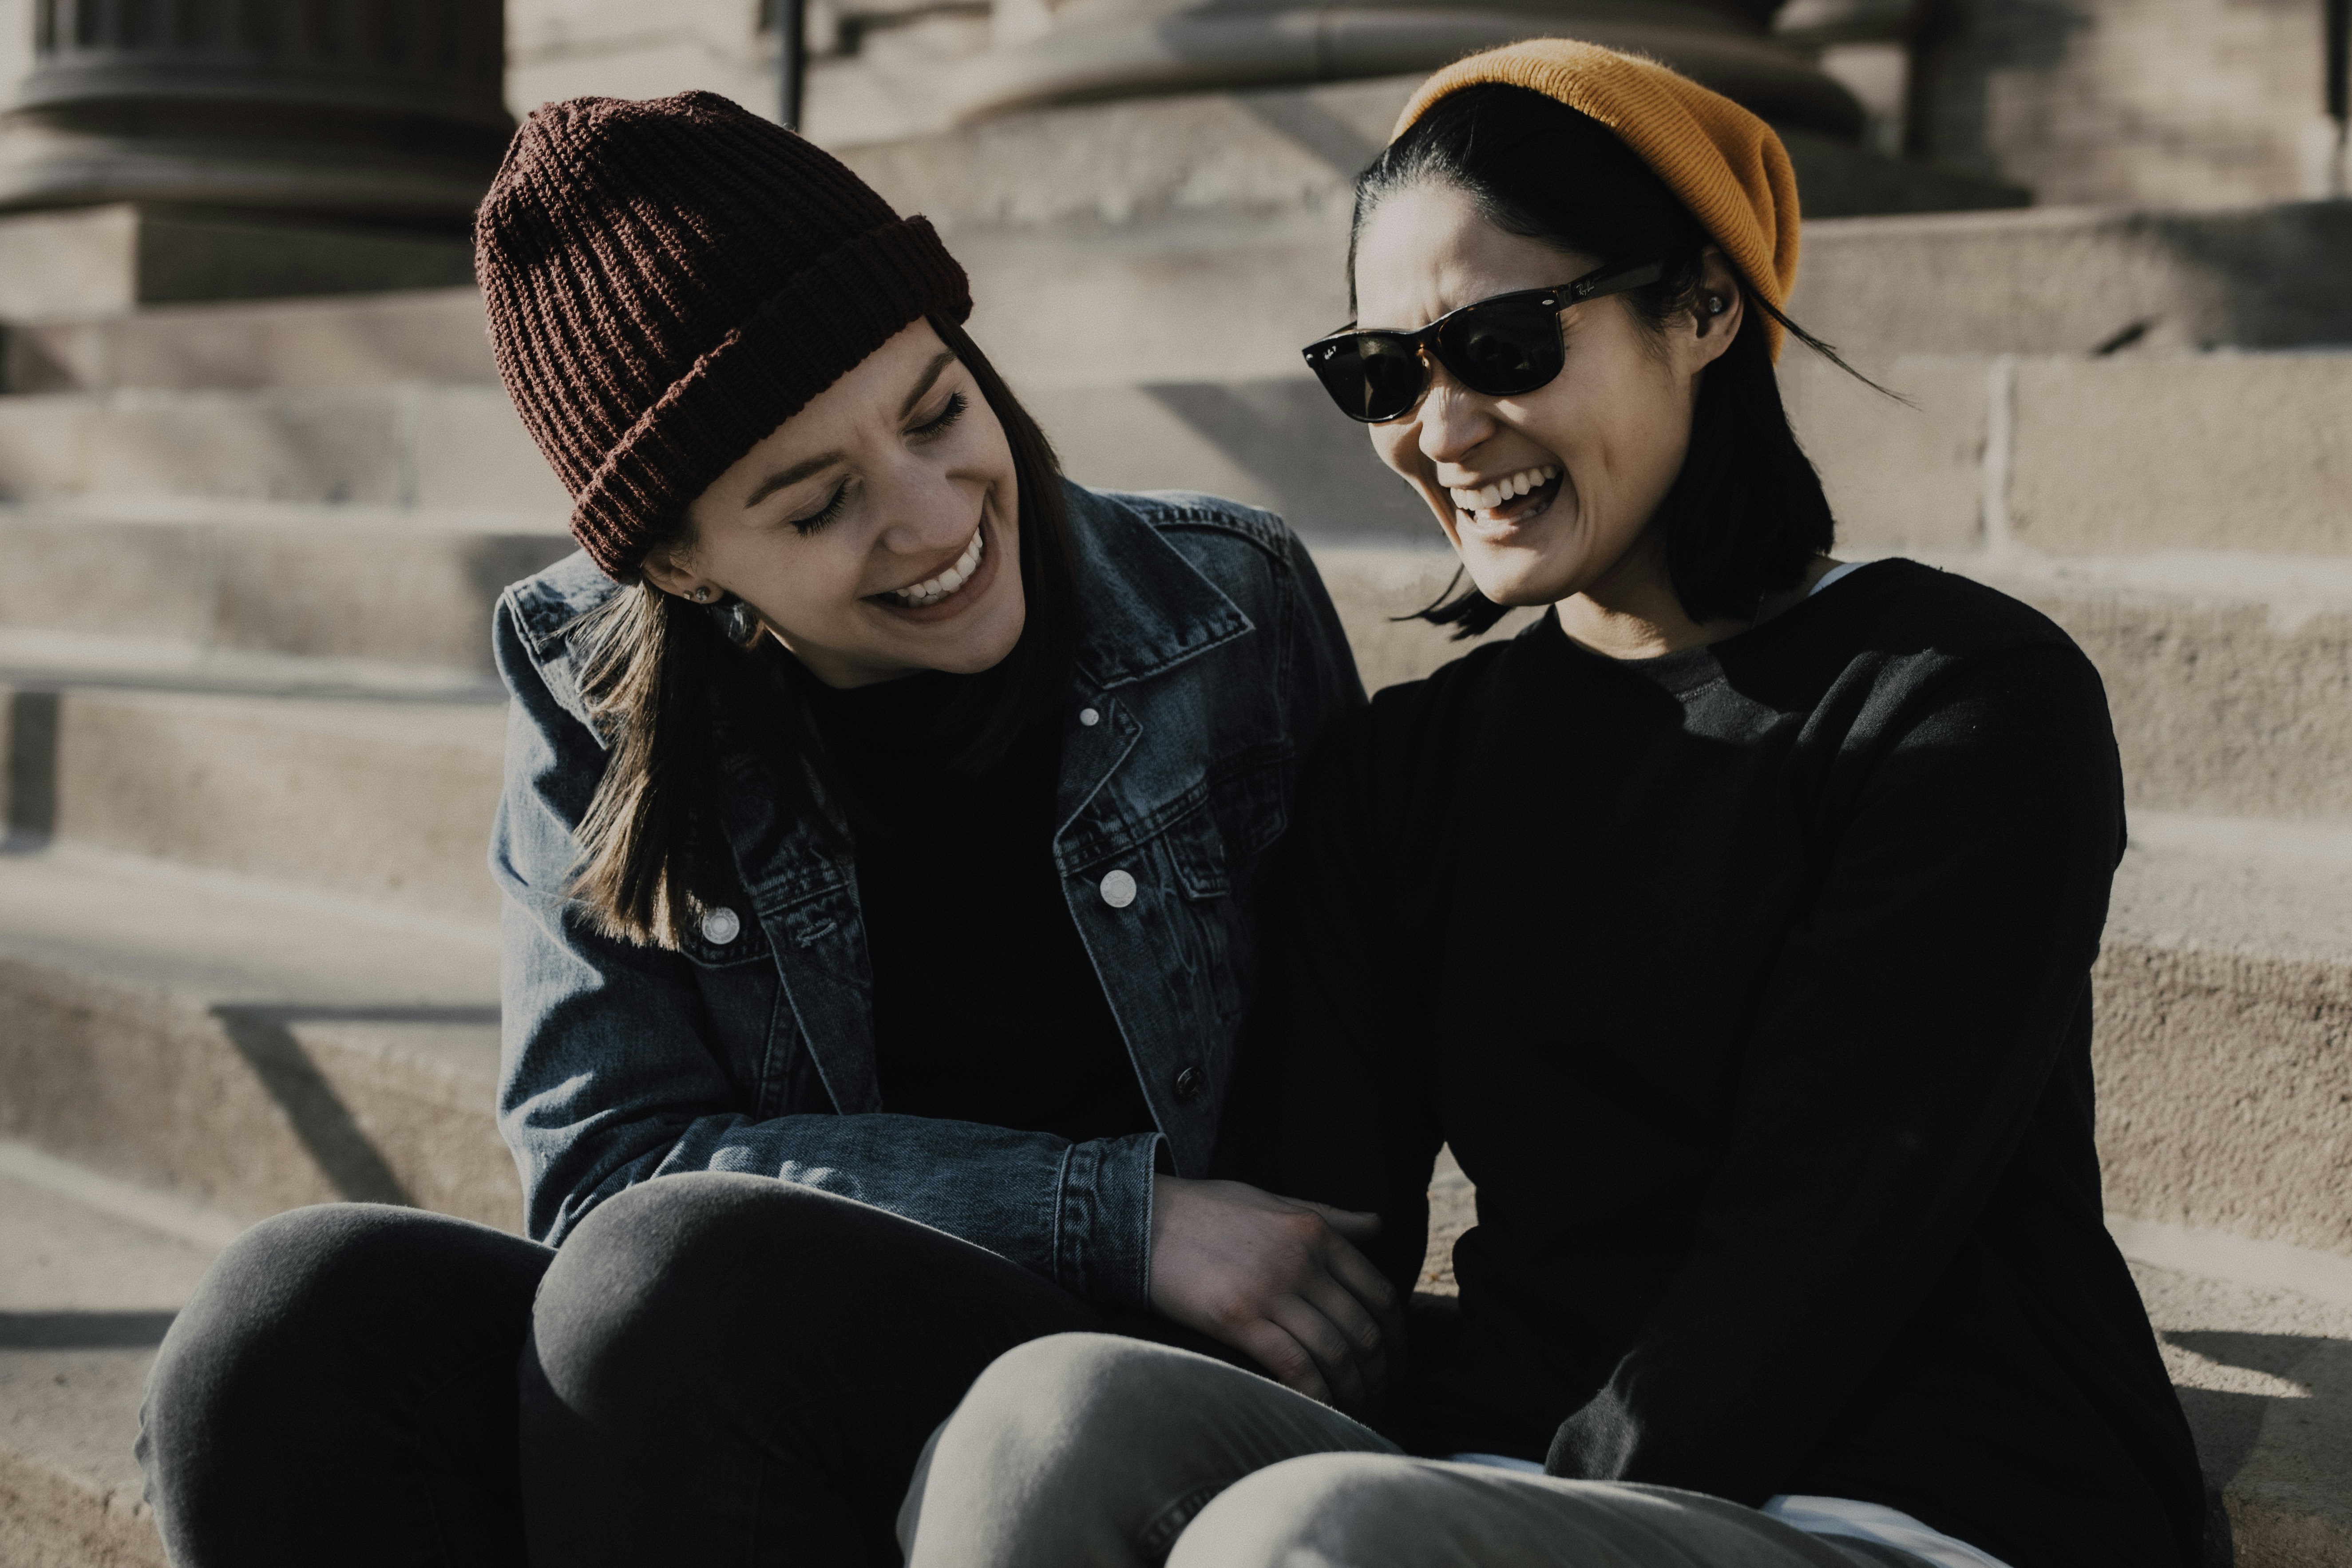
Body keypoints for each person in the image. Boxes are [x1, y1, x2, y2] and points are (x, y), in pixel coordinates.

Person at [896, 40, 2209, 1568]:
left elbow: (1813, 1257)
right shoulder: (1405, 772)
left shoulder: (1958, 698)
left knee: (1312, 1535)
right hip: (1505, 1489)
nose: (1438, 430)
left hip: (1922, 1504)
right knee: (1050, 1417)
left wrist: (1468, 1501)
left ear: (1706, 305)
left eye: (1505, 344)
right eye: (1381, 373)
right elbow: (1324, 1257)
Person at [133, 91, 1399, 1567]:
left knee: (674, 1283)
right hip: (726, 1391)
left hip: (1128, 1391)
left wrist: (1143, 1258)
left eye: (938, 410)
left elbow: (1338, 1168)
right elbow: (607, 1158)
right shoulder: (598, 686)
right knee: (288, 1324)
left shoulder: (1221, 610)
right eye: (817, 506)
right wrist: (1108, 1211)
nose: (930, 518)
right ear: (676, 558)